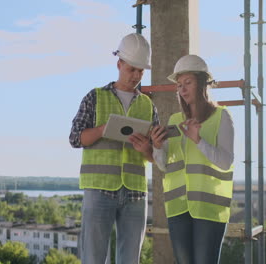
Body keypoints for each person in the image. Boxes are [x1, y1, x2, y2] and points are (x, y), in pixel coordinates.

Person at [69, 33, 159, 264]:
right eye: (132, 70)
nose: (136, 76)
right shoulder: (95, 97)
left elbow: (156, 156)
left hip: (135, 193)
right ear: (119, 64)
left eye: (141, 71)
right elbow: (75, 138)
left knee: (130, 260)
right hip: (99, 190)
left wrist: (147, 150)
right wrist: (102, 129)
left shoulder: (148, 105)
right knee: (93, 258)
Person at [151, 54, 235, 264]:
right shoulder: (174, 120)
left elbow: (226, 162)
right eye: (179, 85)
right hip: (178, 208)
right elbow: (163, 165)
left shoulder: (222, 117)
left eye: (187, 82)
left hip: (209, 209)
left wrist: (199, 140)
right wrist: (158, 147)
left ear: (202, 83)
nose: (183, 89)